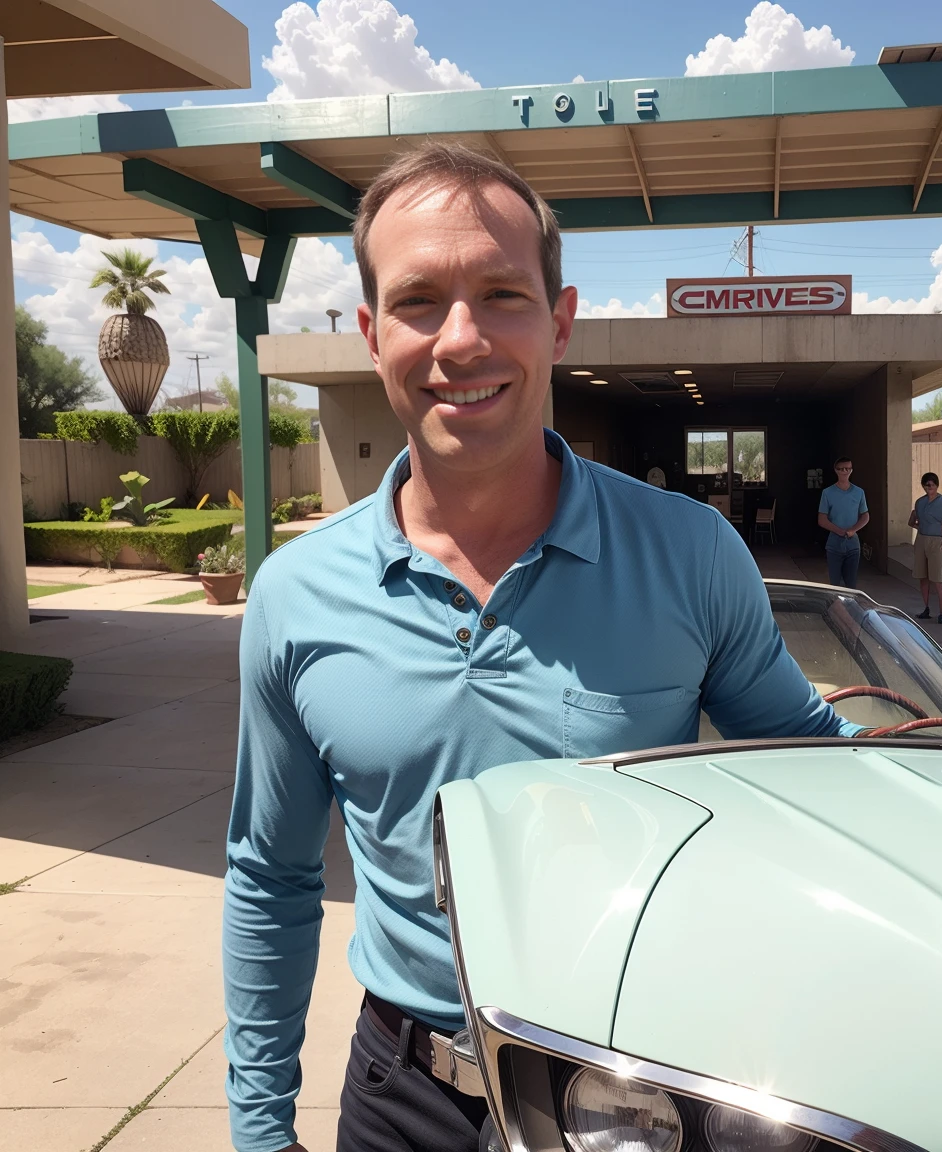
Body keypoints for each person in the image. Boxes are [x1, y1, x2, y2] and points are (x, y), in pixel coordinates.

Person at [222, 142, 863, 1152]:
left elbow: (812, 776)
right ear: (370, 332)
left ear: (560, 323)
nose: (462, 340)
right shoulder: (295, 596)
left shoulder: (690, 554)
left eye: (503, 295)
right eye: (420, 300)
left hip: (637, 1094)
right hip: (399, 1094)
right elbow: (270, 874)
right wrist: (258, 1132)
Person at [908, 471, 942, 623]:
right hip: (921, 539)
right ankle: (926, 608)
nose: (929, 487)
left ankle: (941, 613)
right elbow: (912, 520)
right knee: (923, 577)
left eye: (932, 485)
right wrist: (918, 526)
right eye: (926, 485)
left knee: (937, 579)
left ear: (936, 485)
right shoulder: (920, 502)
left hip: (936, 541)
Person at [817, 457, 869, 588]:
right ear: (836, 470)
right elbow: (822, 519)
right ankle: (836, 608)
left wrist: (853, 529)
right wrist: (839, 531)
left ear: (851, 470)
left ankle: (850, 609)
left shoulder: (859, 492)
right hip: (834, 544)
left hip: (853, 544)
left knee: (851, 584)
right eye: (841, 469)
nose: (844, 471)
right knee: (835, 584)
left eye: (847, 469)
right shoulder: (827, 493)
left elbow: (865, 515)